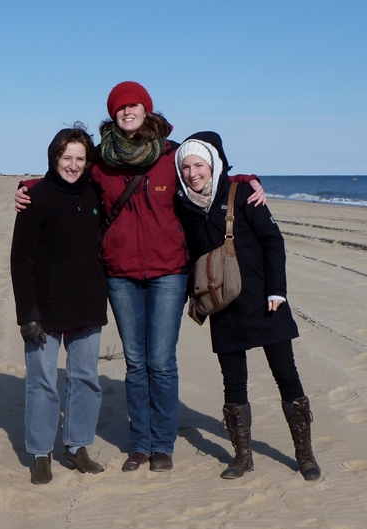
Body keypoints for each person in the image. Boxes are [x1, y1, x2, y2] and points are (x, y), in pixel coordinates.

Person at [15, 82, 265, 473]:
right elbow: (68, 179)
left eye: (134, 106)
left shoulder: (171, 153)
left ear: (146, 110)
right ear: (112, 114)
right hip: (120, 274)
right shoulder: (101, 160)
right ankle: (141, 444)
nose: (127, 112)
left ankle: (162, 443)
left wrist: (249, 179)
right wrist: (27, 187)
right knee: (135, 363)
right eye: (120, 108)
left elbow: (210, 175)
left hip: (168, 273)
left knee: (161, 362)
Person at [174, 131, 321, 481]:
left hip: (265, 300)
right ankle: (242, 457)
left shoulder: (243, 194)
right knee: (233, 384)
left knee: (287, 377)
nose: (193, 172)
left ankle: (305, 455)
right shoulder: (183, 206)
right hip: (222, 304)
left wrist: (278, 291)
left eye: (199, 164)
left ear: (213, 164)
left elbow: (273, 241)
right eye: (186, 166)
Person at [10, 123, 108, 485]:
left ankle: (77, 446)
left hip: (87, 302)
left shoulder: (95, 195)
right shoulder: (36, 198)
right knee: (43, 381)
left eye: (80, 158)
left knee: (86, 379)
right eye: (67, 157)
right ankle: (40, 453)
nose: (73, 165)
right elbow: (21, 261)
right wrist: (27, 315)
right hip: (45, 308)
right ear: (54, 158)